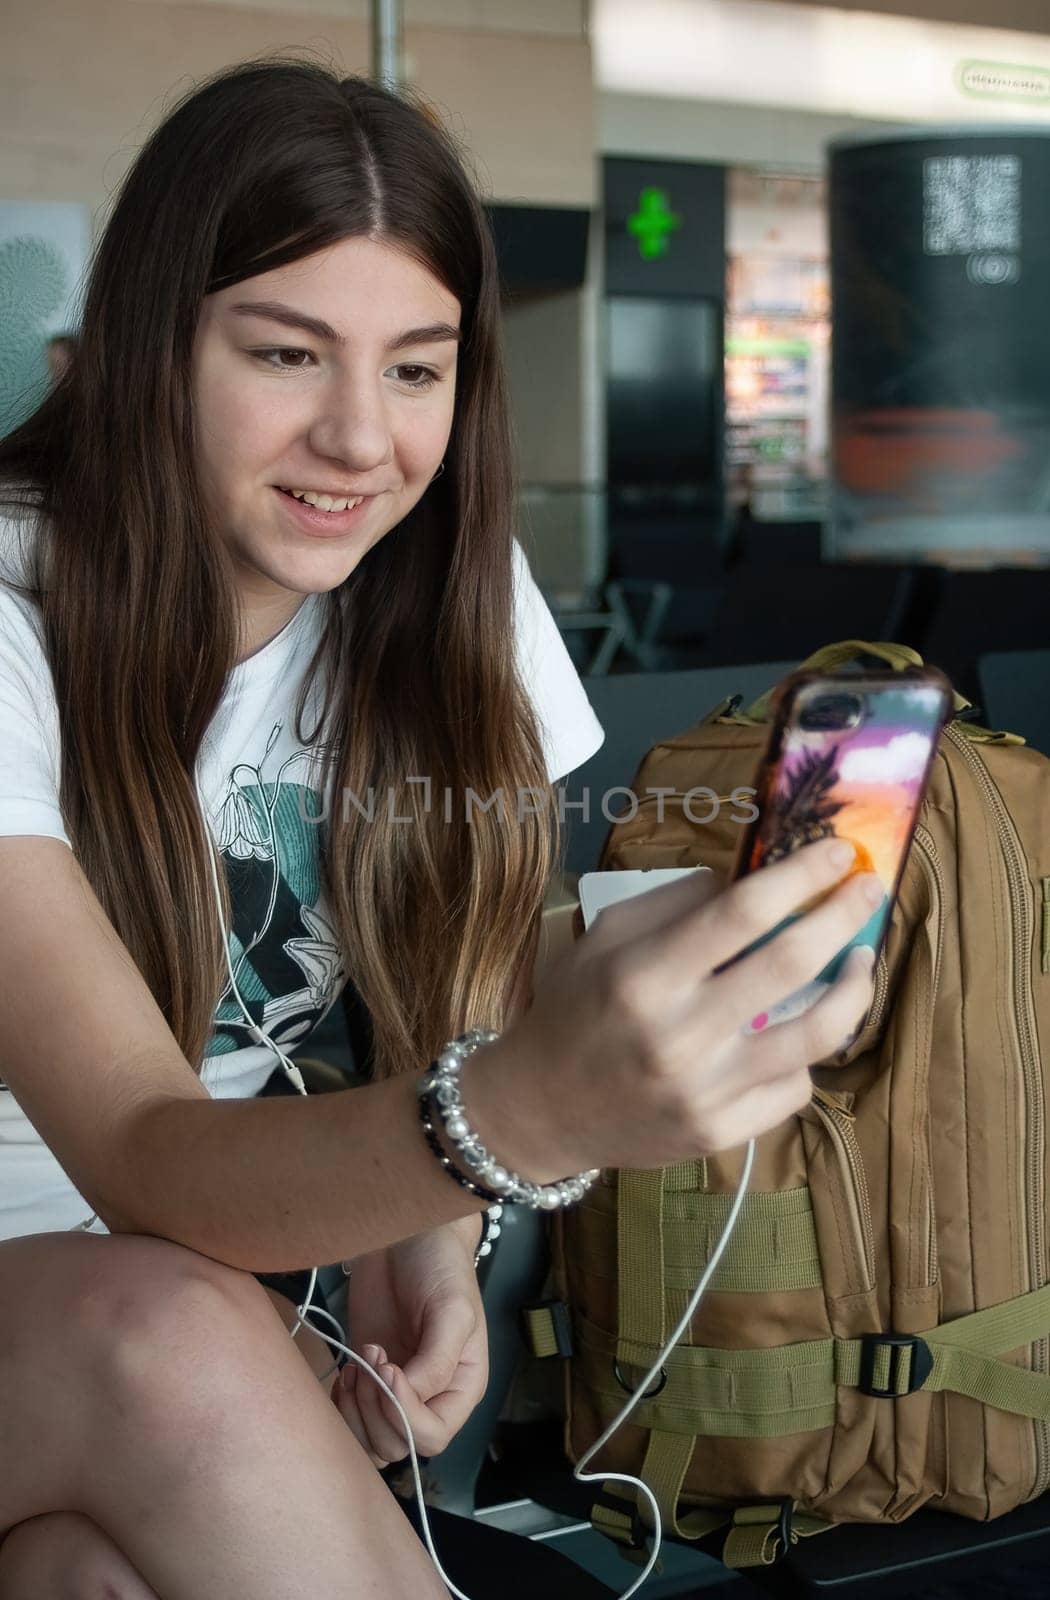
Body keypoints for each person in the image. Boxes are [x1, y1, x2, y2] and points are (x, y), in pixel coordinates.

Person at [0, 56, 877, 1599]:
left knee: (91, 1576)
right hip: (133, 1306)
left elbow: (443, 972)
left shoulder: (440, 599)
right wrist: (517, 1125)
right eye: (286, 354)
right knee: (177, 1331)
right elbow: (143, 1155)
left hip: (166, 1305)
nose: (360, 440)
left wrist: (426, 1237)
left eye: (418, 369)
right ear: (149, 344)